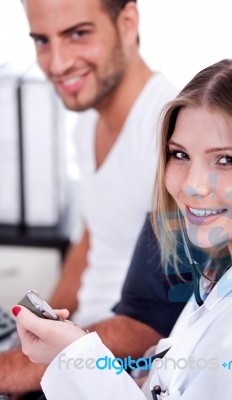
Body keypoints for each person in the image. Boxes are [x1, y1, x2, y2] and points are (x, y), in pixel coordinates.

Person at [14, 54, 232, 399]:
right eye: (180, 155)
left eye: (226, 160)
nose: (193, 185)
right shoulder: (225, 263)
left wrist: (73, 357)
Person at [0, 0, 179, 396]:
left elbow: (149, 322)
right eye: (42, 40)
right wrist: (30, 330)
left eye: (78, 34)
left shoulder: (173, 135)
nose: (57, 63)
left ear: (127, 22)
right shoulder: (88, 124)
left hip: (116, 373)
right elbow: (91, 239)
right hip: (77, 346)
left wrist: (18, 368)